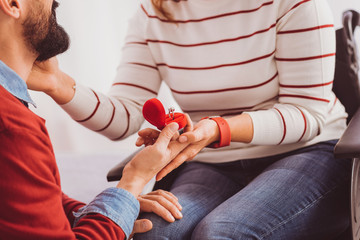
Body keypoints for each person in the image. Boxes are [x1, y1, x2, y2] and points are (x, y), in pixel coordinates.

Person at [27, 0, 352, 239]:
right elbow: (124, 118)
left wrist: (218, 128)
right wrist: (59, 85)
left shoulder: (295, 4)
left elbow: (307, 114)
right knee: (152, 234)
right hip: (211, 159)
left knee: (221, 233)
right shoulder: (153, 13)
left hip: (308, 151)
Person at [0, 0, 187, 239]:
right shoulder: (13, 128)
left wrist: (114, 208)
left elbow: (30, 201)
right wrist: (133, 181)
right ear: (13, 3)